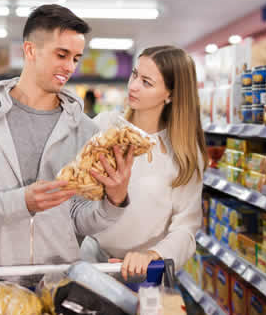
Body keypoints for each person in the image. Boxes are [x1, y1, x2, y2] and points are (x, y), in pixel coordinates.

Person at [0, 4, 133, 267]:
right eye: (62, 54)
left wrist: (115, 200)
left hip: (59, 281)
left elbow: (78, 219)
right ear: (30, 50)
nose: (69, 67)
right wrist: (22, 202)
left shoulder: (87, 132)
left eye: (76, 58)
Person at [81, 46, 208, 280]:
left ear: (170, 94)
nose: (133, 86)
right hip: (92, 262)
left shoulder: (184, 154)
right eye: (134, 74)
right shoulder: (104, 126)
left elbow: (186, 228)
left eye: (147, 82)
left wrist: (152, 254)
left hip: (145, 271)